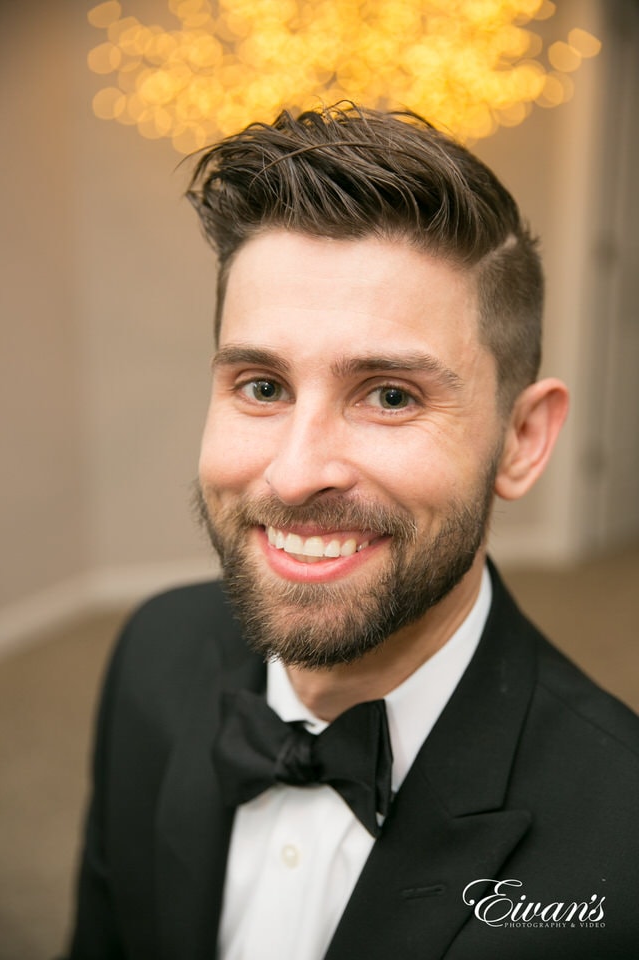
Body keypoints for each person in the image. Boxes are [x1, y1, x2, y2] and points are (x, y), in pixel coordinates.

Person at [65, 104, 639, 959]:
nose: (296, 474)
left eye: (391, 396)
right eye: (261, 386)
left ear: (521, 441)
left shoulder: (622, 839)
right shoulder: (153, 653)